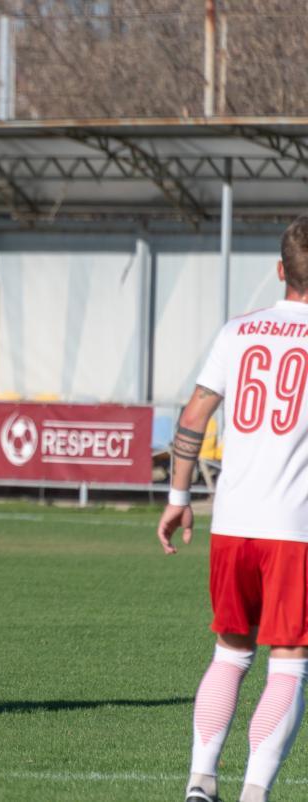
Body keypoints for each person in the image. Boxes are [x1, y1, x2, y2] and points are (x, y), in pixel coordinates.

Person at [159, 215, 308, 802]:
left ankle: (200, 783)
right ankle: (253, 793)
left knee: (230, 652)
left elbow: (193, 416)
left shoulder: (237, 331)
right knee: (289, 662)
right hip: (294, 528)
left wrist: (178, 498)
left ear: (279, 270)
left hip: (232, 525)